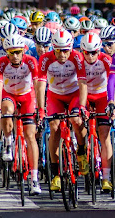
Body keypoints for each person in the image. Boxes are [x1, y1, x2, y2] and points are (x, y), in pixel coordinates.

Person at [36, 30, 88, 192]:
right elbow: (40, 85)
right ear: (53, 48)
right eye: (58, 50)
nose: (62, 54)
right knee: (54, 127)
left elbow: (83, 83)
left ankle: (81, 152)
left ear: (71, 48)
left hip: (73, 94)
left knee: (76, 121)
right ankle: (56, 174)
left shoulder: (77, 57)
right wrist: (40, 108)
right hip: (55, 96)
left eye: (66, 50)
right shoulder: (46, 59)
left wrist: (82, 106)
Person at [0, 34, 41, 195]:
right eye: (11, 52)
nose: (15, 56)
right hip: (9, 94)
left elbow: (37, 84)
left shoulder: (31, 61)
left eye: (18, 52)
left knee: (30, 135)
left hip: (27, 96)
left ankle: (34, 178)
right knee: (6, 111)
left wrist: (40, 108)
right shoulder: (1, 63)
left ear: (23, 51)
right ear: (6, 52)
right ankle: (8, 142)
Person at [80, 32, 115, 192]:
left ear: (99, 50)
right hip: (85, 96)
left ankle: (106, 178)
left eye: (94, 52)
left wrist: (112, 104)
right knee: (79, 126)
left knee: (104, 134)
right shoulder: (78, 61)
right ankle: (81, 155)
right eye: (87, 53)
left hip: (102, 96)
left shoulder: (106, 60)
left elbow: (113, 84)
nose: (90, 56)